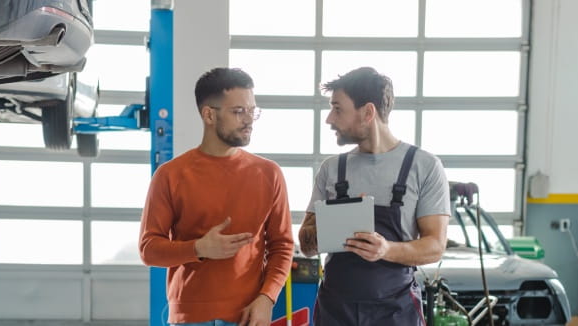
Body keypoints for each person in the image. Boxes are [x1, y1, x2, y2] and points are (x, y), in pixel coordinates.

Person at [139, 68, 294, 326]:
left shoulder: (269, 173)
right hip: (191, 318)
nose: (249, 120)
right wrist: (199, 248)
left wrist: (268, 298)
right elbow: (148, 250)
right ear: (209, 115)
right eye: (238, 112)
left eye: (252, 111)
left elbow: (282, 245)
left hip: (248, 316)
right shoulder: (171, 175)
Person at [298, 67, 451, 325]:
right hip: (336, 309)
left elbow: (435, 246)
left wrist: (386, 249)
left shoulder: (423, 166)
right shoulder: (332, 169)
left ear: (367, 112)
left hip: (396, 311)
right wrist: (332, 223)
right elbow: (306, 245)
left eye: (338, 109)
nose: (329, 119)